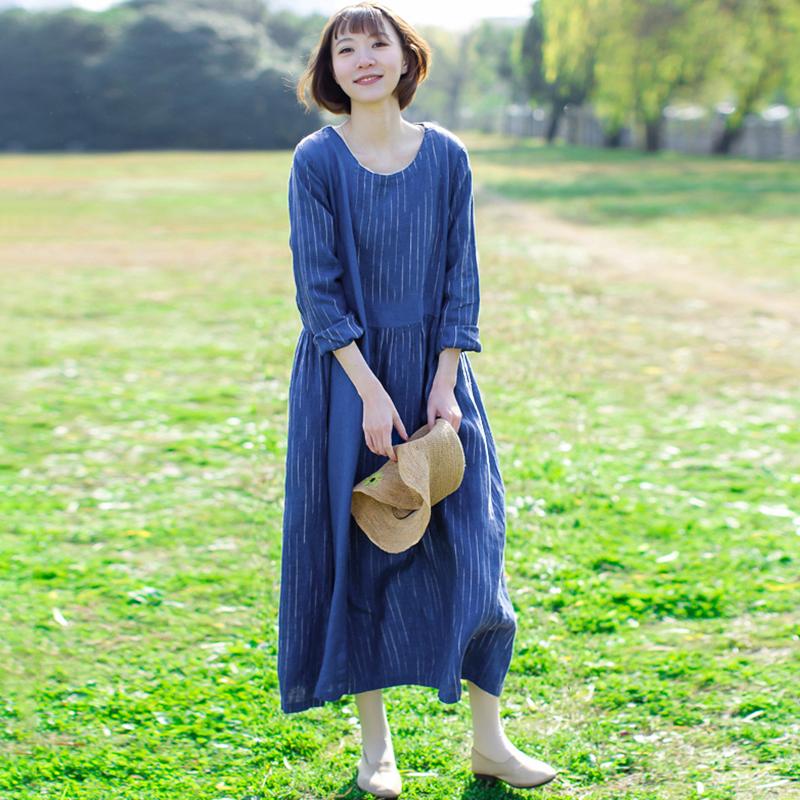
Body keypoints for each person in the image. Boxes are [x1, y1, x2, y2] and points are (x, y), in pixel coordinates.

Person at [278, 2, 557, 795]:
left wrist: (444, 380)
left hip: (439, 384)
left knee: (473, 551)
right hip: (347, 384)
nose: (364, 59)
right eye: (346, 48)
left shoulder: (446, 156)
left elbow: (461, 273)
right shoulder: (316, 161)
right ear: (330, 69)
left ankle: (490, 743)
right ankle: (376, 749)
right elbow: (319, 290)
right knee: (362, 552)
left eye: (379, 44)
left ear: (407, 58)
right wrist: (369, 393)